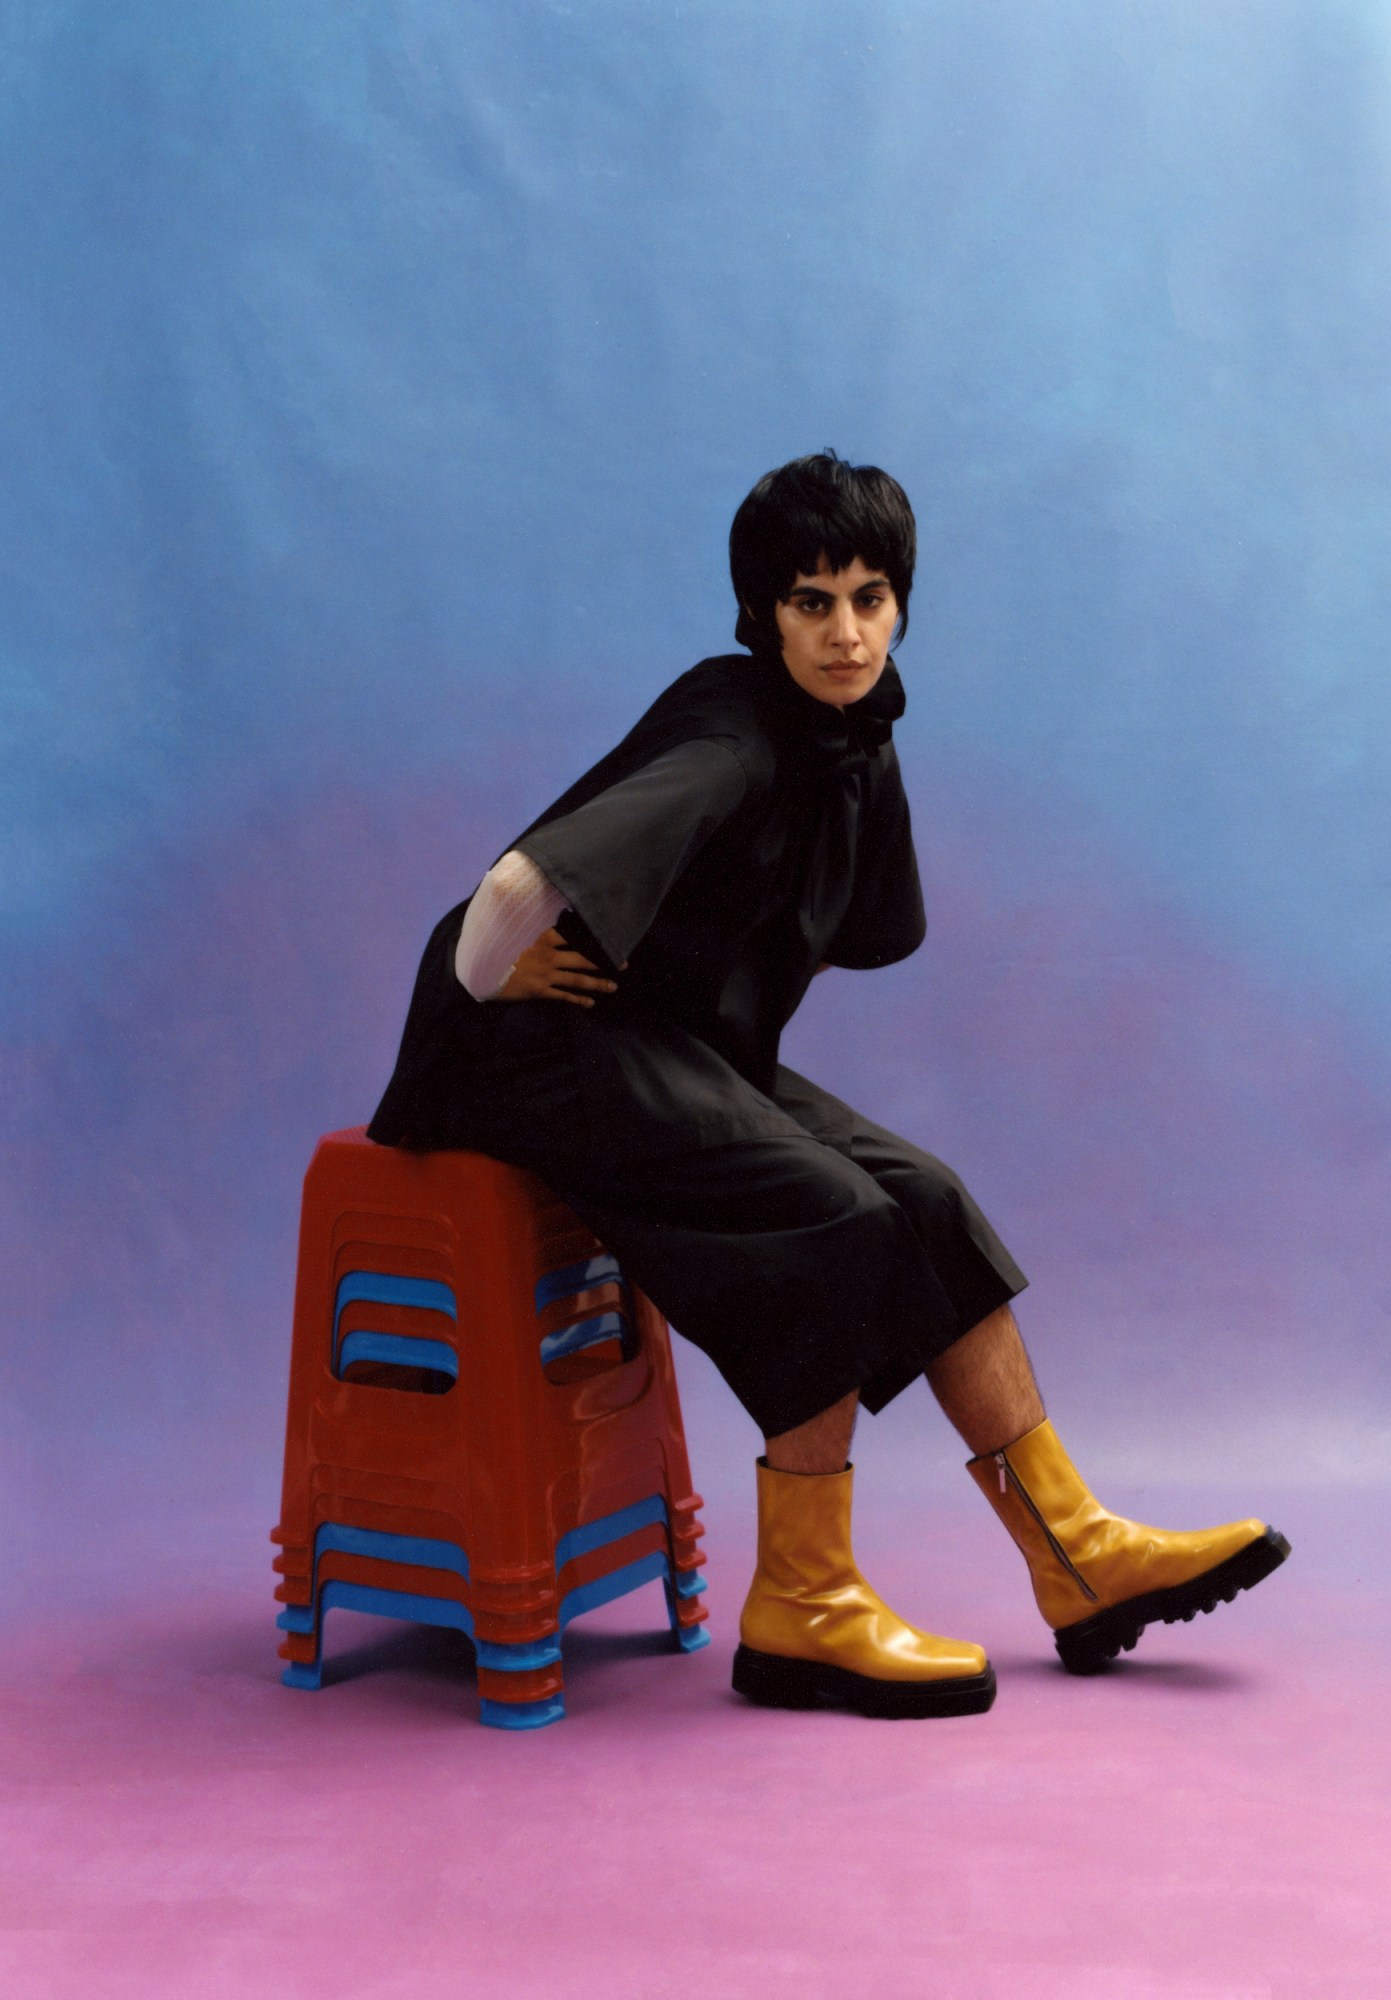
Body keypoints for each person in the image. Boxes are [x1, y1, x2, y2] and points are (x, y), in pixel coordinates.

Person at [368, 451, 1290, 1719]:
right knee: (829, 1215)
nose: (846, 630)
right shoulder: (734, 736)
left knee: (924, 1196)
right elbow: (520, 886)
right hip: (524, 1054)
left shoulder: (853, 730)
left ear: (902, 602)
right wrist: (483, 975)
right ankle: (800, 1600)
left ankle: (1073, 1550)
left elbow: (863, 921)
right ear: (764, 615)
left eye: (869, 596)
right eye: (812, 602)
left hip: (668, 1036)